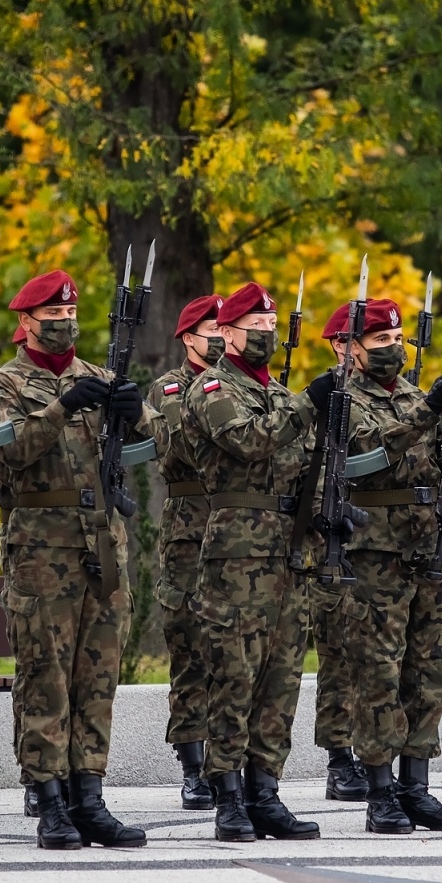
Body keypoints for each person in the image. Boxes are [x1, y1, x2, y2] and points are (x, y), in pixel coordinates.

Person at [0, 269, 164, 851]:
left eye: (69, 315)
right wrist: (60, 408)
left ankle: (90, 796)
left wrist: (138, 412)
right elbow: (6, 452)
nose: (64, 324)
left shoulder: (99, 378)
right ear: (26, 322)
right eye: (52, 316)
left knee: (97, 677)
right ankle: (50, 799)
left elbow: (166, 443)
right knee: (46, 676)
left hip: (102, 544)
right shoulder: (3, 385)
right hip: (42, 549)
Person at [318, 297, 442, 833]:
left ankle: (416, 787)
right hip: (375, 555)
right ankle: (380, 791)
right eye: (380, 340)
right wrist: (429, 411)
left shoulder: (414, 397)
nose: (393, 348)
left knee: (429, 672)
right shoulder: (339, 399)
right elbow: (367, 455)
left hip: (427, 548)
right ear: (349, 348)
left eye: (396, 339)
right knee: (378, 674)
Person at [181, 281, 326, 843]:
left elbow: (305, 465)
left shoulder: (282, 394)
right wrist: (309, 404)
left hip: (290, 553)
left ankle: (265, 791)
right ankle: (227, 797)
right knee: (234, 676)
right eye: (255, 328)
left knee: (281, 679)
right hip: (238, 554)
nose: (266, 335)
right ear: (228, 333)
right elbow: (247, 441)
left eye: (271, 327)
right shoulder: (214, 388)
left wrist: (325, 510)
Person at [147, 293, 223, 811]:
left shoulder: (241, 386)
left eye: (225, 330)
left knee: (232, 650)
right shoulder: (170, 388)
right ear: (189, 338)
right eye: (211, 332)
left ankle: (229, 762)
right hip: (190, 532)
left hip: (237, 531)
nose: (220, 340)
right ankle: (194, 768)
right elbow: (187, 448)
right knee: (191, 647)